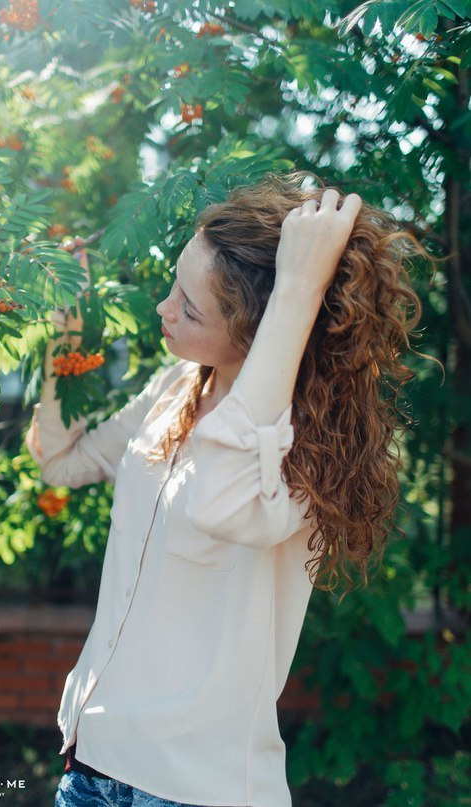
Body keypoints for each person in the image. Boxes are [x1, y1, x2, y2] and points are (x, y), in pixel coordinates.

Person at [25, 171, 426, 807]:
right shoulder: (177, 389)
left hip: (194, 789)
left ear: (257, 329)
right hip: (91, 761)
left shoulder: (305, 449)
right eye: (173, 288)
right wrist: (67, 346)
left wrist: (299, 286)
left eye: (188, 306)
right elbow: (63, 463)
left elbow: (222, 499)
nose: (164, 309)